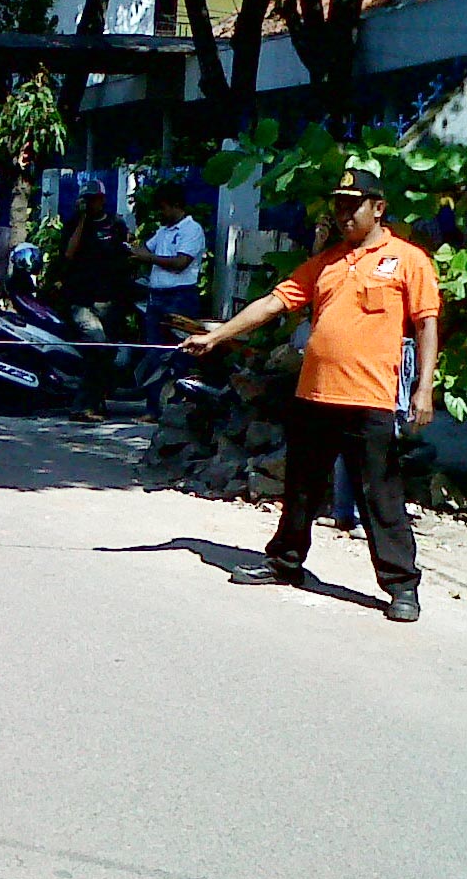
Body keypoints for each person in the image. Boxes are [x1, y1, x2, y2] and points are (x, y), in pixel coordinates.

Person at [181, 168, 440, 623]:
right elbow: (273, 302)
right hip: (315, 395)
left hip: (370, 399)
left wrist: (423, 389)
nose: (343, 214)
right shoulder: (327, 262)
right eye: (338, 205)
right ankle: (285, 562)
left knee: (380, 496)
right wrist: (218, 335)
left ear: (378, 208)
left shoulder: (408, 260)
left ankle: (401, 587)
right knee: (300, 488)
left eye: (351, 205)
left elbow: (426, 324)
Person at [129, 182, 207, 419]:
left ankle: (174, 408)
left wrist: (148, 257)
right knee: (155, 353)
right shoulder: (164, 231)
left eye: (163, 208)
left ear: (175, 206)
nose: (161, 214)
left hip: (180, 296)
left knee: (179, 354)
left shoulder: (191, 230)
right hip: (157, 297)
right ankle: (153, 408)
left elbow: (180, 263)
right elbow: (143, 250)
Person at [60, 179, 132, 422]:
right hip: (82, 300)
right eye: (87, 200)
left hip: (110, 301)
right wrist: (81, 220)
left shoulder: (116, 225)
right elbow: (68, 254)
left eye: (95, 199)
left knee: (106, 354)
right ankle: (82, 405)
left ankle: (96, 401)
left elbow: (126, 255)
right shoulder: (74, 225)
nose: (92, 204)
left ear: (102, 199)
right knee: (97, 345)